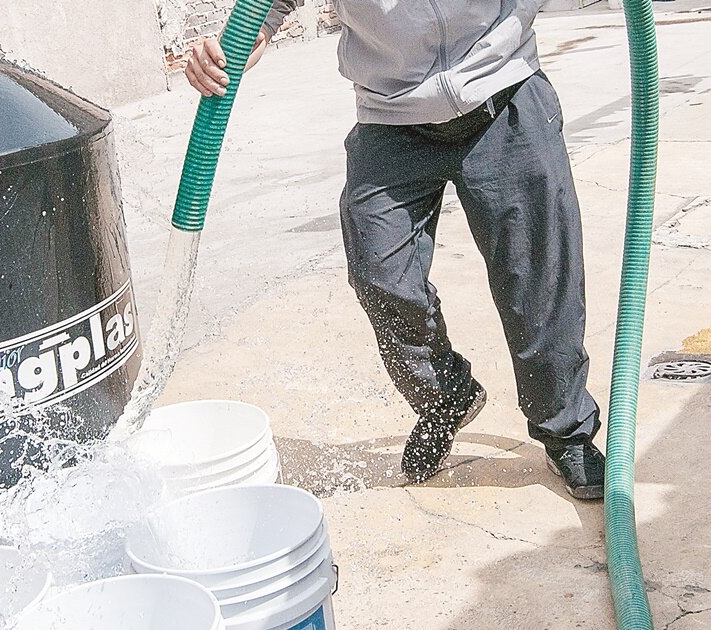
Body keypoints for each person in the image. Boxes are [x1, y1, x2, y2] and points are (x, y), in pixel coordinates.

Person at [185, 0, 605, 499]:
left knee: (537, 276)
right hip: (390, 114)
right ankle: (444, 396)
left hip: (503, 90)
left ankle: (565, 429)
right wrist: (240, 41)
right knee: (378, 272)